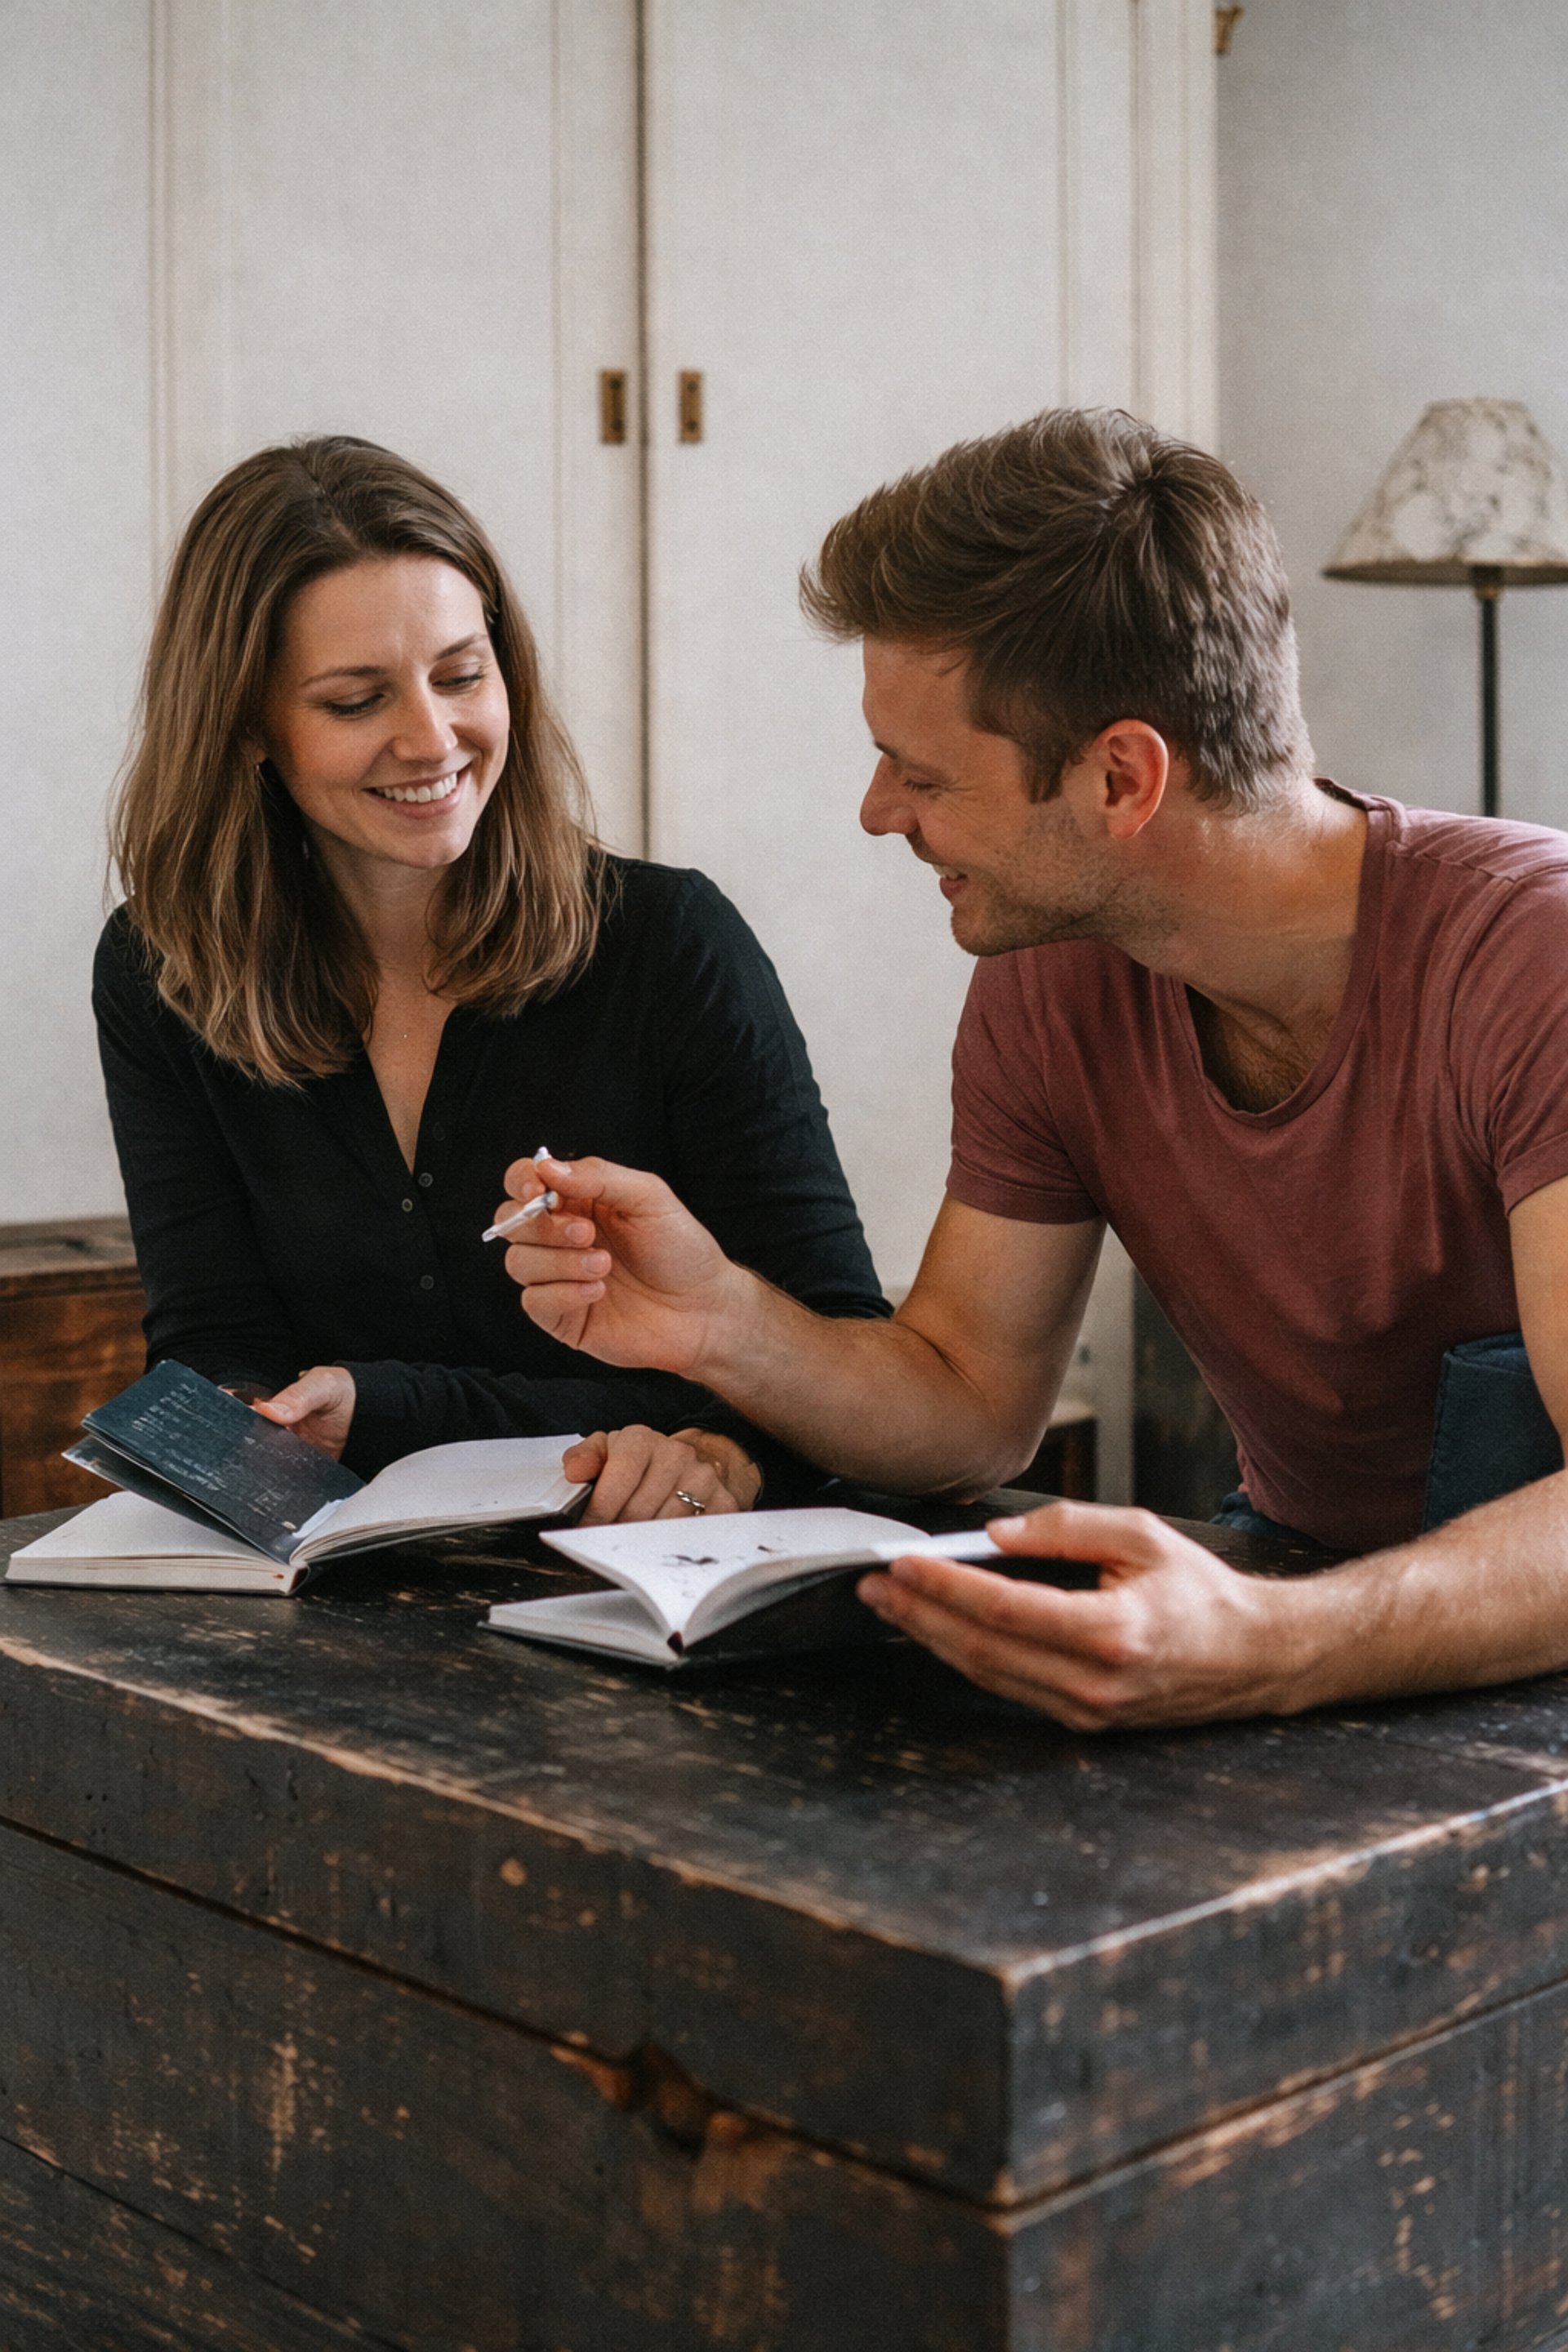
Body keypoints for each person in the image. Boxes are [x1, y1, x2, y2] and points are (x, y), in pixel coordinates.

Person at [492, 404, 1568, 1720]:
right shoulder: (1048, 979)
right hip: (1296, 1601)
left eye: (921, 774)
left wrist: (1269, 1642)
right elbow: (968, 1400)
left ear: (1122, 779)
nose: (879, 813)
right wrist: (720, 1317)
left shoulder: (1533, 958)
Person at [96, 434, 887, 1521]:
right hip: (351, 1598)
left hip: (653, 1574)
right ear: (245, 729)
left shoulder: (671, 944)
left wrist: (721, 1451)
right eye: (353, 701)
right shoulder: (161, 970)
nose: (434, 739)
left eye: (462, 675)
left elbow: (838, 1340)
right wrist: (251, 1426)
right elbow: (216, 1344)